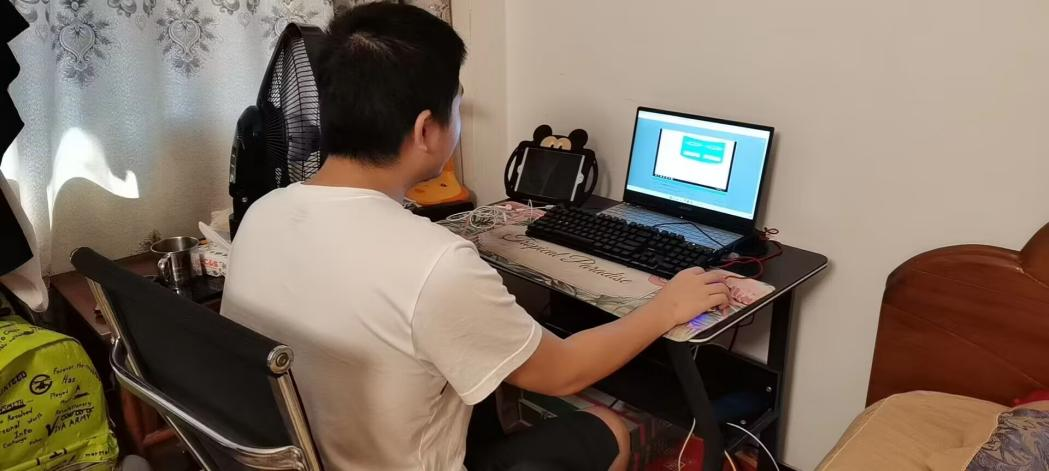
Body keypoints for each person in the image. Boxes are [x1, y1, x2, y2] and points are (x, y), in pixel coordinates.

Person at [221, 3, 730, 470]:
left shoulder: (263, 214)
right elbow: (564, 373)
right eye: (458, 109)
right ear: (426, 130)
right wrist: (666, 308)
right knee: (609, 430)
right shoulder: (437, 264)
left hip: (301, 455)